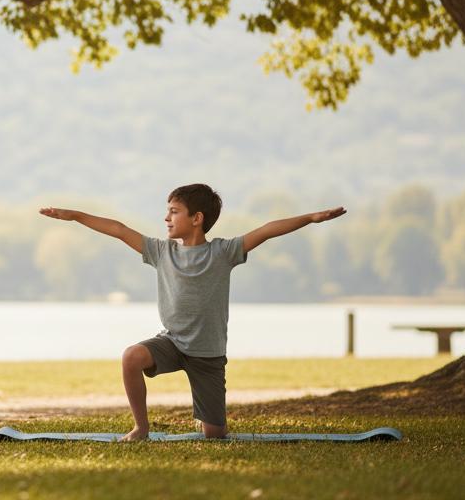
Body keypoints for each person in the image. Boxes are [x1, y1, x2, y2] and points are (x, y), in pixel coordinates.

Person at [40, 184, 345, 441]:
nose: (166, 218)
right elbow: (119, 230)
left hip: (208, 354)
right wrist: (76, 216)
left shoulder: (223, 253)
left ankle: (207, 420)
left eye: (174, 211)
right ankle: (141, 428)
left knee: (214, 434)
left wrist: (310, 218)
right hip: (172, 343)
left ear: (197, 218)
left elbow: (266, 231)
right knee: (131, 356)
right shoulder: (161, 252)